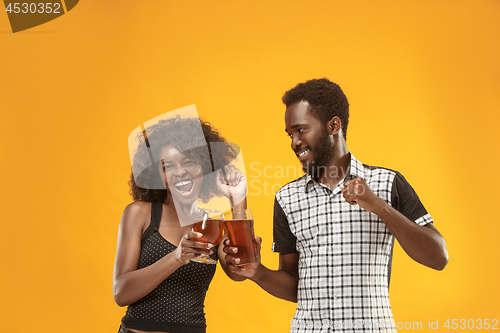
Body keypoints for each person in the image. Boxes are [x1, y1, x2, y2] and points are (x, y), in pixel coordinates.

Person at [223, 78, 449, 332]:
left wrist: (378, 206)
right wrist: (258, 272)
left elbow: (438, 257)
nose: (294, 142)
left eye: (301, 130)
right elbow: (294, 284)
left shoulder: (387, 183)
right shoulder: (286, 198)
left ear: (333, 125)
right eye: (290, 134)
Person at [113, 116, 246, 333]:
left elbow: (241, 270)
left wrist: (238, 200)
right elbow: (121, 293)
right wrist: (176, 257)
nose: (180, 171)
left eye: (189, 161)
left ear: (205, 166)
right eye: (168, 166)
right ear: (158, 174)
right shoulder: (140, 214)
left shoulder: (212, 226)